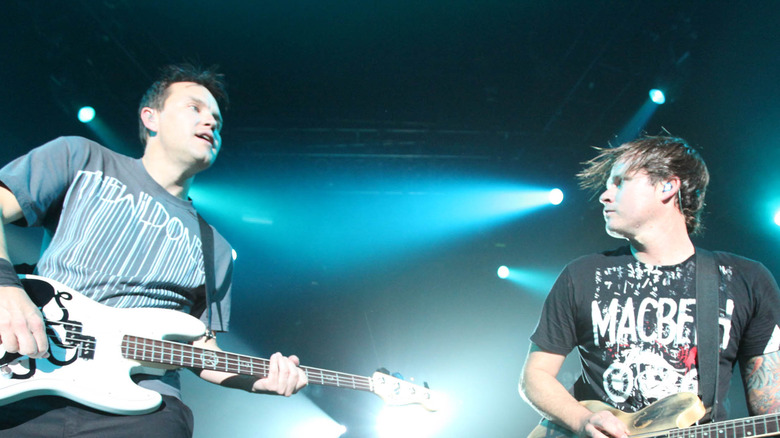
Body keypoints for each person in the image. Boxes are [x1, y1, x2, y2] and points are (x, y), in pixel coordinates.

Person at [0, 64, 308, 437]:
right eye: (195, 108)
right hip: (32, 376)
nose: (211, 123)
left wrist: (259, 380)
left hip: (143, 409)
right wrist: (6, 287)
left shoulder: (218, 249)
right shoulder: (81, 158)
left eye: (217, 120)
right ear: (151, 118)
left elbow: (202, 350)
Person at [519, 135, 780, 437]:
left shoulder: (744, 279)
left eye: (619, 182)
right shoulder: (582, 275)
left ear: (668, 186)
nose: (605, 195)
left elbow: (770, 412)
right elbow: (535, 376)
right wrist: (582, 421)